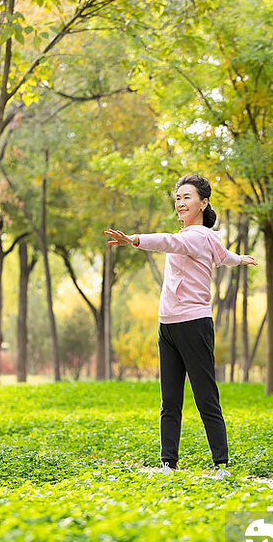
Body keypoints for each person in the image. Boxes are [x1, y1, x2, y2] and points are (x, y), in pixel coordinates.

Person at [104, 174, 257, 479]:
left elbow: (169, 242)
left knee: (205, 395)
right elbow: (224, 257)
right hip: (168, 325)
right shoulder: (206, 240)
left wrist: (134, 239)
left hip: (194, 323)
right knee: (170, 398)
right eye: (177, 198)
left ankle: (221, 464)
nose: (180, 202)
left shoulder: (198, 236)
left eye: (187, 197)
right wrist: (240, 259)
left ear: (204, 202)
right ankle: (167, 463)